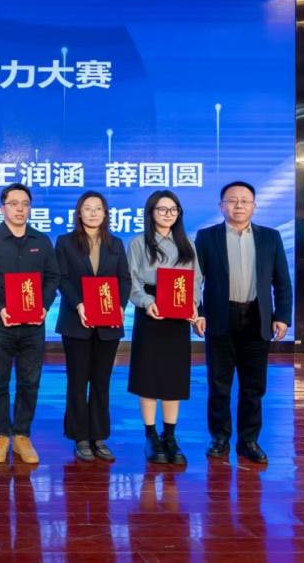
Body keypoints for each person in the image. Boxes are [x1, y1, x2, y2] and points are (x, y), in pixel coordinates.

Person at [196, 181, 292, 464]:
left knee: (254, 385)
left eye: (244, 200)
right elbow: (194, 280)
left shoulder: (270, 238)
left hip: (257, 318)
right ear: (221, 206)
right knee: (219, 383)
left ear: (254, 206)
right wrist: (198, 312)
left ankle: (248, 440)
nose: (238, 205)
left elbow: (282, 282)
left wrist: (282, 316)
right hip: (219, 317)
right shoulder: (207, 237)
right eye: (232, 200)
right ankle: (220, 438)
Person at [0, 183, 59, 465]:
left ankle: (22, 435)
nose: (20, 209)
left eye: (25, 204)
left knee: (29, 382)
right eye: (13, 203)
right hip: (1, 324)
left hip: (33, 326)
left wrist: (44, 306)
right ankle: (0, 434)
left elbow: (53, 278)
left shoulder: (41, 241)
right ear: (2, 208)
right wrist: (0, 308)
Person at [127, 189, 205, 466]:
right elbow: (131, 280)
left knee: (174, 377)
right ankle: (150, 436)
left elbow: (196, 279)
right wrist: (147, 302)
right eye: (162, 209)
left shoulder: (187, 243)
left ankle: (170, 435)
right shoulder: (139, 243)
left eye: (173, 210)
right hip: (151, 313)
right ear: (151, 213)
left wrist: (193, 304)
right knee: (148, 376)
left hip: (178, 315)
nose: (168, 214)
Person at [54, 191, 130, 462]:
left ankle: (98, 436)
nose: (94, 213)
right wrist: (79, 305)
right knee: (77, 381)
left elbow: (124, 279)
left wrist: (119, 306)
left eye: (98, 208)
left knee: (101, 381)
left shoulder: (116, 244)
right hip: (77, 322)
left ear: (105, 213)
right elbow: (61, 279)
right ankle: (80, 437)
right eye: (88, 208)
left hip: (108, 324)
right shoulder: (65, 242)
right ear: (79, 213)